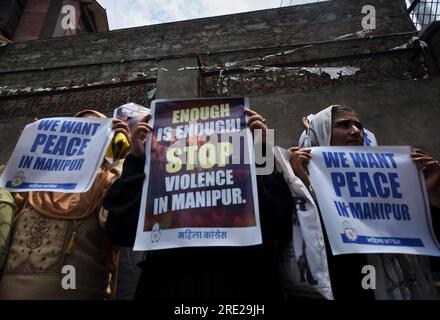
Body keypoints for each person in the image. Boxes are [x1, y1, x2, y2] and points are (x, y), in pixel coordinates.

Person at [103, 109, 293, 301]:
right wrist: (138, 160)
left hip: (244, 287)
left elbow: (280, 223)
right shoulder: (160, 187)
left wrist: (262, 154)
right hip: (171, 286)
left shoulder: (247, 182)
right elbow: (120, 230)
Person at [288, 104, 440, 299]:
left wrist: (428, 192)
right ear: (321, 135)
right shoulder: (302, 188)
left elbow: (430, 253)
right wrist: (300, 187)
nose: (355, 131)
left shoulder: (390, 187)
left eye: (359, 126)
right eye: (344, 125)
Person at [0, 110, 130, 299]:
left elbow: (120, 217)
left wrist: (126, 160)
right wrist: (24, 153)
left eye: (94, 133)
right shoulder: (32, 185)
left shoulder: (106, 184)